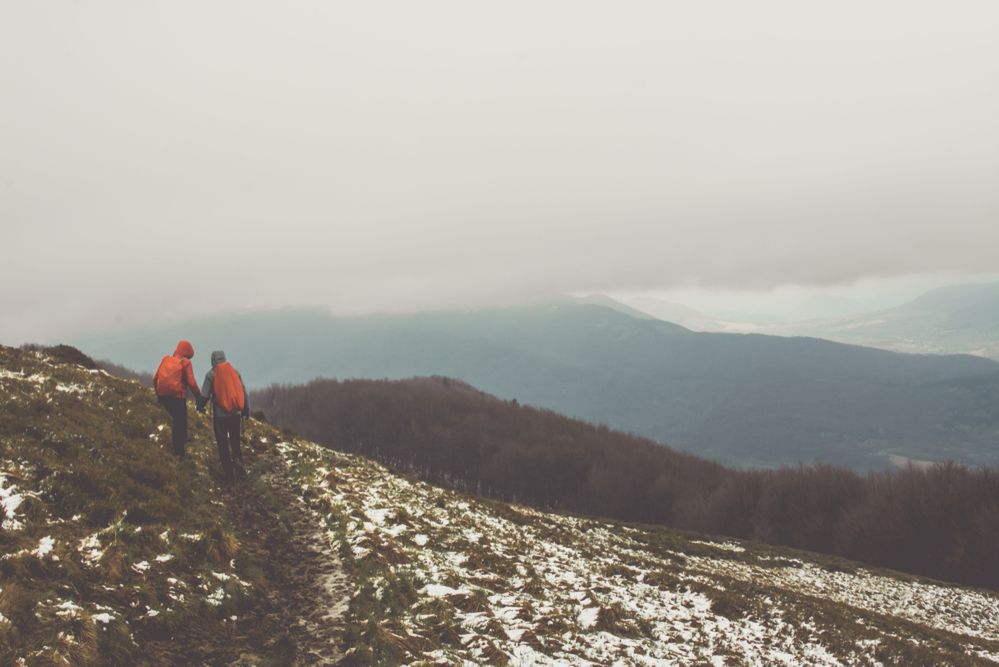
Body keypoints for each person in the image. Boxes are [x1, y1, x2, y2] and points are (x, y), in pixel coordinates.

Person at [197, 350, 250, 482]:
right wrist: (246, 410)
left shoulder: (211, 375)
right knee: (235, 440)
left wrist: (199, 406)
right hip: (235, 414)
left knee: (222, 444)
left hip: (220, 416)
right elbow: (243, 391)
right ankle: (238, 461)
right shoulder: (235, 372)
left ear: (212, 361)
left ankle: (229, 474)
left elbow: (204, 395)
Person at [153, 340, 203, 458]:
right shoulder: (185, 363)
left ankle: (175, 448)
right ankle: (179, 452)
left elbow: (155, 378)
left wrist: (158, 394)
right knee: (180, 423)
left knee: (175, 420)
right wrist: (199, 398)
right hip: (177, 398)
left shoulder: (166, 359)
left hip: (163, 396)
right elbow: (192, 383)